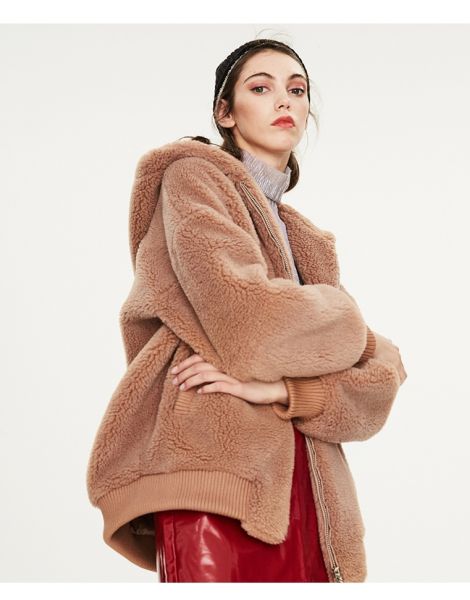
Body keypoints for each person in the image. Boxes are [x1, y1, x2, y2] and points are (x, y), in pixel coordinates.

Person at [86, 38, 407, 584]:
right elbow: (253, 324)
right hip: (219, 482)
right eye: (261, 88)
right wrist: (355, 327)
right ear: (225, 113)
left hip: (313, 497)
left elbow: (379, 384)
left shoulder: (305, 240)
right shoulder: (193, 178)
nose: (284, 100)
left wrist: (283, 389)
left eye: (297, 90)